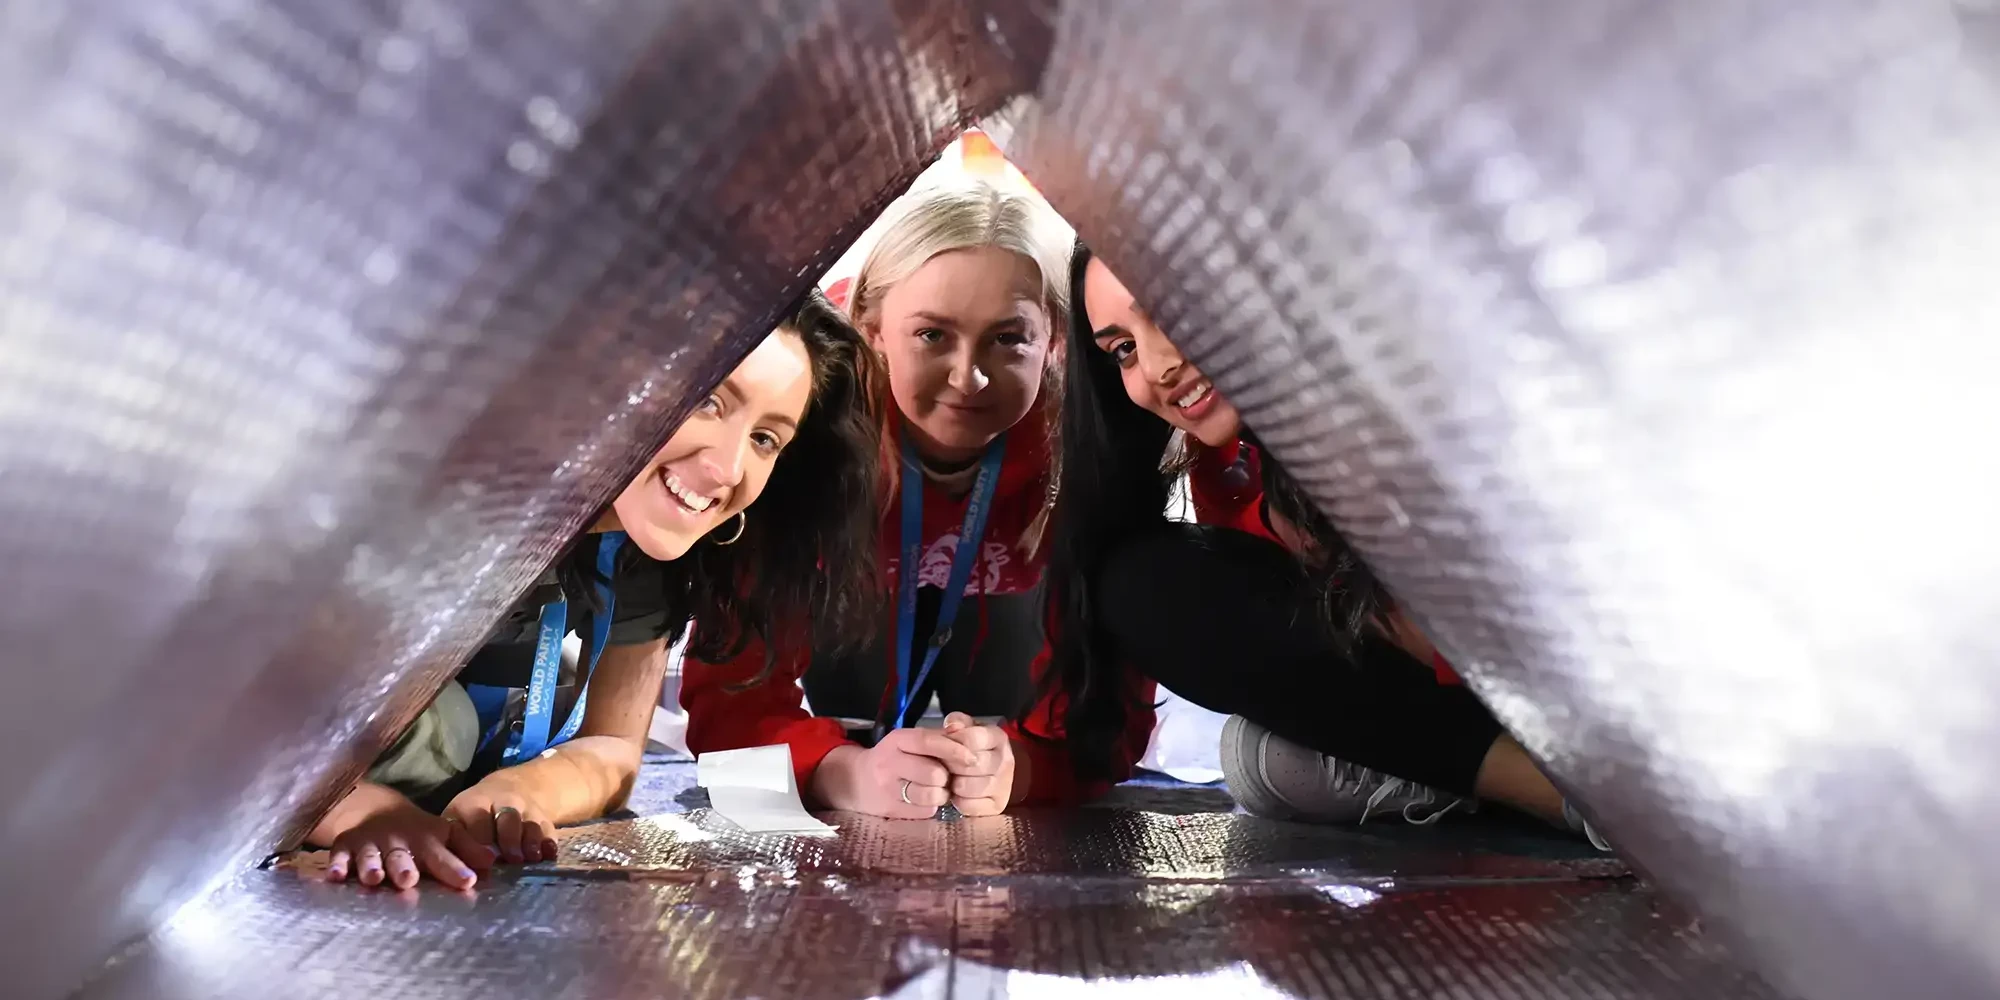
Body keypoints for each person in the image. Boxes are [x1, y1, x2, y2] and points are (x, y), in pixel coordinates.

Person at [309, 289, 881, 889]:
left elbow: (613, 747)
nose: (727, 468)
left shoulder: (642, 556)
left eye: (766, 438)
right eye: (710, 401)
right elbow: (218, 705)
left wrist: (520, 793)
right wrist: (366, 813)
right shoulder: (410, 506)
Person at [1044, 242, 1607, 845]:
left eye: (1171, 310)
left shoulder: (1404, 389)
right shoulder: (1227, 468)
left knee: (1271, 759)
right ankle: (1553, 793)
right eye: (1123, 349)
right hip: (1480, 713)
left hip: (1585, 681)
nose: (1157, 365)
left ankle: (1589, 795)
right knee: (1258, 758)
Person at [682, 182, 1157, 819]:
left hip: (1005, 649)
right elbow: (727, 712)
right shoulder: (801, 430)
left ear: (1057, 342)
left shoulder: (1088, 442)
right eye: (933, 336)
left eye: (1008, 338)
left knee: (1012, 718)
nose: (970, 378)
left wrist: (1018, 772)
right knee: (853, 721)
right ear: (873, 328)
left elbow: (1109, 723)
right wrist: (842, 774)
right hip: (854, 646)